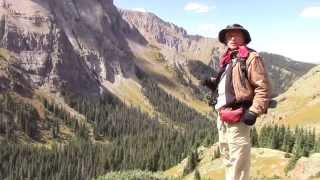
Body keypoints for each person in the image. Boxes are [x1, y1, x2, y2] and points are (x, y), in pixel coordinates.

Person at [201, 24, 271, 180]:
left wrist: (254, 111)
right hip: (222, 117)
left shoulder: (251, 58)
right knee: (227, 158)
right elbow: (230, 85)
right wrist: (212, 82)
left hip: (239, 116)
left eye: (236, 35)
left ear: (244, 38)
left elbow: (263, 87)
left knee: (238, 162)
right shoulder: (229, 59)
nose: (231, 38)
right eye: (228, 36)